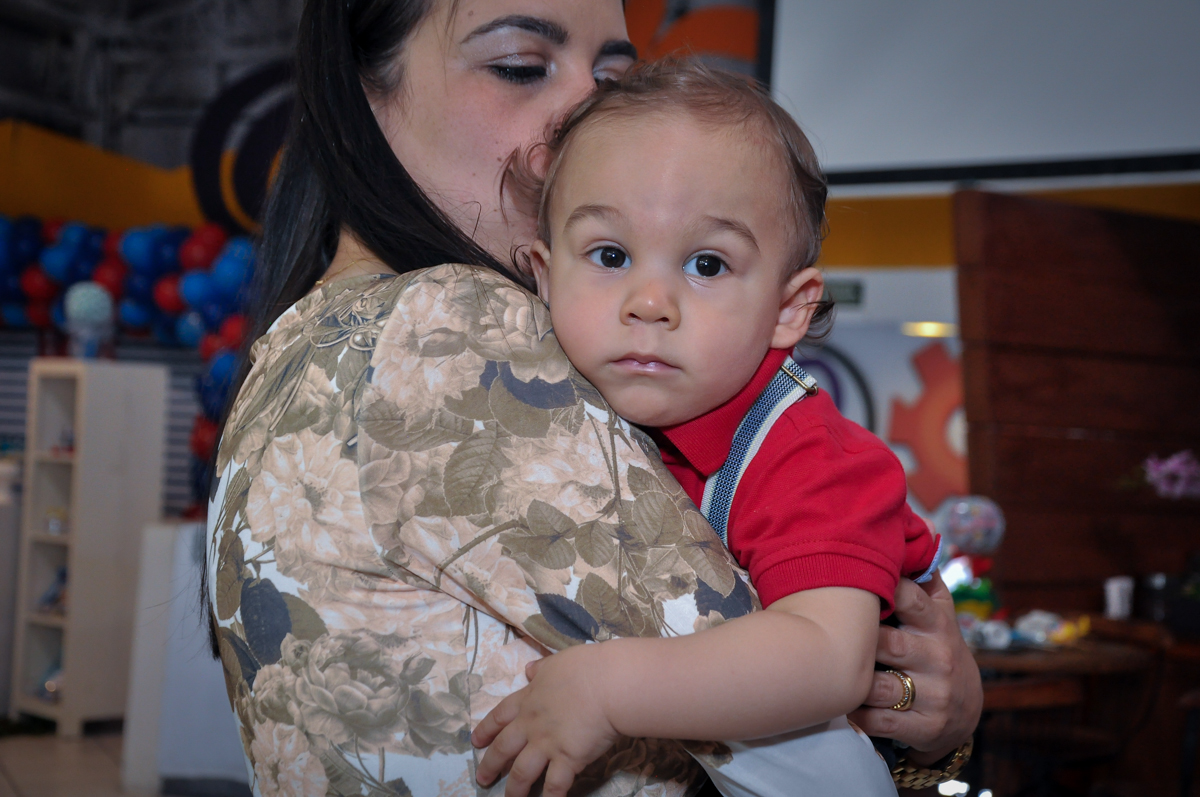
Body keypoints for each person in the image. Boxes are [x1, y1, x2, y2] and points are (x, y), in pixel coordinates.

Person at [205, 1, 982, 795]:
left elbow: (819, 677)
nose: (582, 109)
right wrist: (928, 737)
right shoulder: (445, 327)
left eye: (612, 78)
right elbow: (822, 761)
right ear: (362, 94)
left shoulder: (299, 342)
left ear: (791, 307)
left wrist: (927, 724)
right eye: (520, 66)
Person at [468, 59, 950, 797]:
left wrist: (607, 689)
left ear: (788, 309)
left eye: (707, 263)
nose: (650, 301)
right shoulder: (565, 406)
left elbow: (827, 657)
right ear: (544, 274)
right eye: (609, 254)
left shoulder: (812, 458)